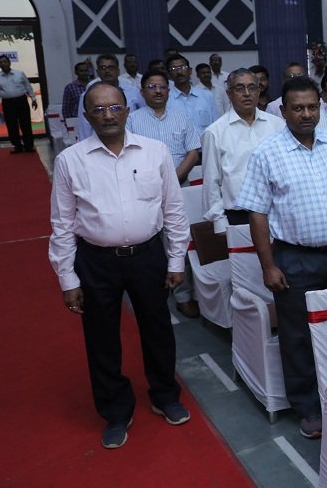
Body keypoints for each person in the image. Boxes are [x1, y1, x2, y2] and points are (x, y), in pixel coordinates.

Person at [49, 82, 192, 449]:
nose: (107, 115)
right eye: (98, 109)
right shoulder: (70, 160)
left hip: (148, 256)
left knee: (158, 328)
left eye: (114, 107)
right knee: (101, 338)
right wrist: (68, 277)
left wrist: (176, 258)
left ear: (128, 110)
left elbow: (173, 210)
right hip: (96, 261)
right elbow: (62, 224)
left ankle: (164, 395)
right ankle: (115, 410)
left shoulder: (155, 152)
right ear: (87, 115)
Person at [234, 76, 327, 439]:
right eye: (297, 108)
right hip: (294, 260)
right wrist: (268, 265)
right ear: (283, 111)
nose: (306, 114)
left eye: (312, 107)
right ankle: (308, 407)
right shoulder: (267, 153)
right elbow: (258, 214)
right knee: (297, 338)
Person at [126, 68, 203, 318]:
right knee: (149, 243)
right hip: (143, 190)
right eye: (152, 86)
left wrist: (174, 177)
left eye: (162, 87)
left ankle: (183, 295)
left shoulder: (182, 118)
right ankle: (155, 292)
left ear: (168, 91)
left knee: (179, 240)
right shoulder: (133, 121)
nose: (158, 91)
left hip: (179, 187)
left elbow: (193, 151)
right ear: (142, 91)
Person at [202, 69, 284, 233]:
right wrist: (219, 223)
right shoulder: (215, 132)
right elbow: (211, 182)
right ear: (229, 93)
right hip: (237, 217)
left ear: (259, 91)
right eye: (239, 88)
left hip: (277, 213)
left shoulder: (278, 126)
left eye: (252, 88)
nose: (247, 94)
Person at [75, 54, 145, 141]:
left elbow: (143, 117)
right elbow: (84, 127)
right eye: (103, 68)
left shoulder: (133, 92)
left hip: (132, 141)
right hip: (100, 143)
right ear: (97, 71)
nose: (107, 71)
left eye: (111, 67)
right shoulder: (88, 95)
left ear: (118, 71)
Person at [166, 54, 219, 134]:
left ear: (190, 71)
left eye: (183, 67)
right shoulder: (166, 99)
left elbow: (216, 124)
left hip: (205, 145)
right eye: (174, 69)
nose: (179, 72)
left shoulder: (207, 96)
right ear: (169, 74)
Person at [0, 54, 39, 153]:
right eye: (1, 62)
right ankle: (17, 146)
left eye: (5, 61)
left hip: (21, 101)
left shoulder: (20, 73)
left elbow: (28, 86)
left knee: (25, 123)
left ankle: (29, 145)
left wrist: (33, 99)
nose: (3, 63)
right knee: (11, 125)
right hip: (7, 103)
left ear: (9, 63)